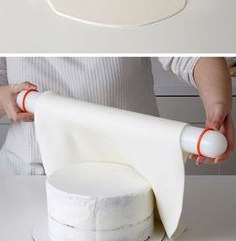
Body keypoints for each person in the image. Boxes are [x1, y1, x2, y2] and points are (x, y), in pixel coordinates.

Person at [0, 57, 233, 174]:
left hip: (133, 170)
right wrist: (4, 96)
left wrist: (217, 103)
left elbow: (192, 54)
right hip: (29, 169)